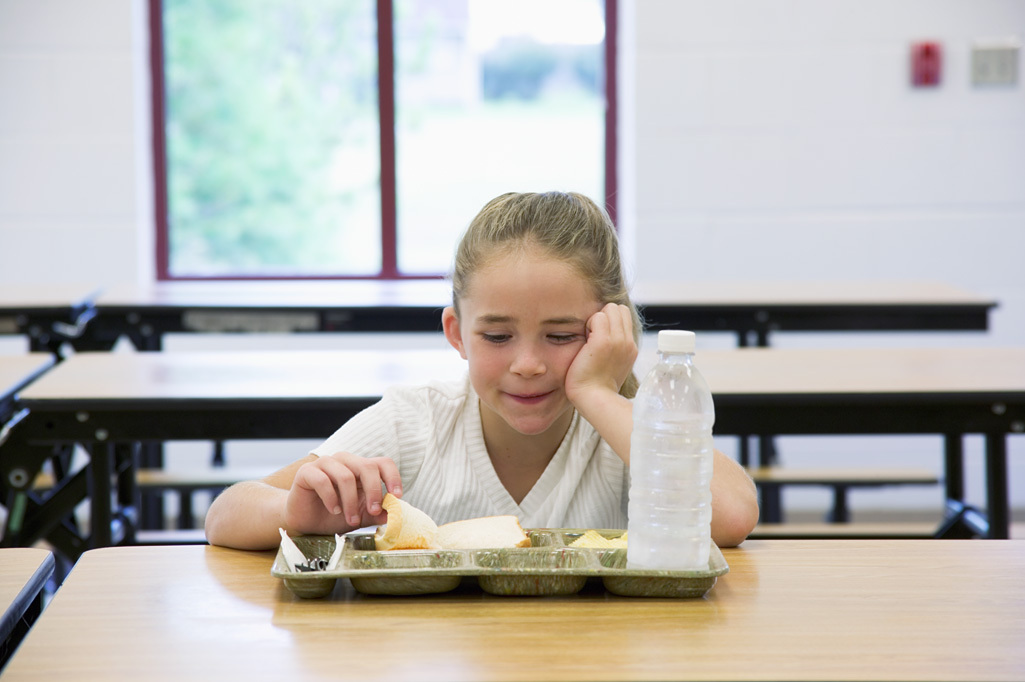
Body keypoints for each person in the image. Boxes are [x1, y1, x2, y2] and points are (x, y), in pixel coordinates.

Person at [205, 191, 759, 550]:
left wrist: (596, 390)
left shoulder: (623, 432)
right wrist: (293, 511)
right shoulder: (416, 422)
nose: (528, 364)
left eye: (562, 335)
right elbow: (225, 514)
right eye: (496, 336)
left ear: (606, 330)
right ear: (456, 333)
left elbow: (733, 515)